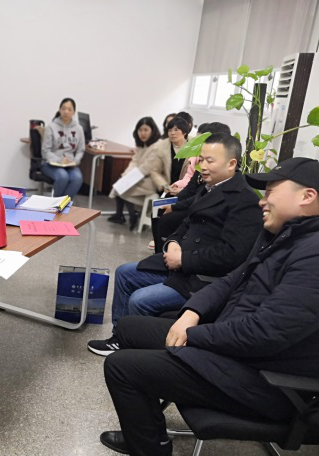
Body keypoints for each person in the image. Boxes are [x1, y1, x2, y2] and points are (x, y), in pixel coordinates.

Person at [99, 157, 319, 456]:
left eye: (271, 191)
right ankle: (149, 433)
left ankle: (149, 449)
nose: (262, 201)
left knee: (122, 367)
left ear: (307, 196)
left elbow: (264, 334)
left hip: (267, 382)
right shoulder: (286, 236)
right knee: (130, 328)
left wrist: (193, 336)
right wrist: (192, 312)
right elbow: (233, 279)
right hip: (237, 354)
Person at [88, 133, 262, 356]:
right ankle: (119, 337)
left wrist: (183, 259)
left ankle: (132, 348)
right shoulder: (209, 187)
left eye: (210, 161)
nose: (203, 166)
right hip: (182, 265)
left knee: (140, 300)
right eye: (201, 159)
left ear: (231, 164)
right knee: (124, 273)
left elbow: (232, 255)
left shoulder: (245, 200)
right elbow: (187, 223)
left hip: (203, 279)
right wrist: (172, 243)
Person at [150, 122, 232, 252]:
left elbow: (201, 197)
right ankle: (159, 251)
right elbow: (190, 188)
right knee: (157, 209)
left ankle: (166, 252)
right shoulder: (201, 163)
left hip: (199, 207)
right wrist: (173, 201)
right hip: (192, 201)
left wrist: (174, 206)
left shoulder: (220, 168)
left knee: (167, 220)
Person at [107, 117, 166, 230]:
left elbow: (147, 168)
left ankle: (131, 216)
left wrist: (128, 178)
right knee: (120, 183)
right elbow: (134, 161)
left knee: (122, 188)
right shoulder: (143, 144)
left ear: (152, 130)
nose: (142, 133)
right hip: (140, 176)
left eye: (146, 130)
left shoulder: (158, 145)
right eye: (140, 130)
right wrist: (126, 175)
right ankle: (126, 215)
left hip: (152, 180)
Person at [41, 98, 85, 198]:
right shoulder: (51, 127)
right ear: (59, 110)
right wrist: (59, 160)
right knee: (62, 176)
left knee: (77, 178)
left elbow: (80, 150)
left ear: (74, 112)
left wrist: (75, 161)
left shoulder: (79, 129)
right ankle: (55, 204)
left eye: (69, 109)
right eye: (64, 108)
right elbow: (45, 151)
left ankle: (63, 205)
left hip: (70, 165)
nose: (66, 111)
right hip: (51, 164)